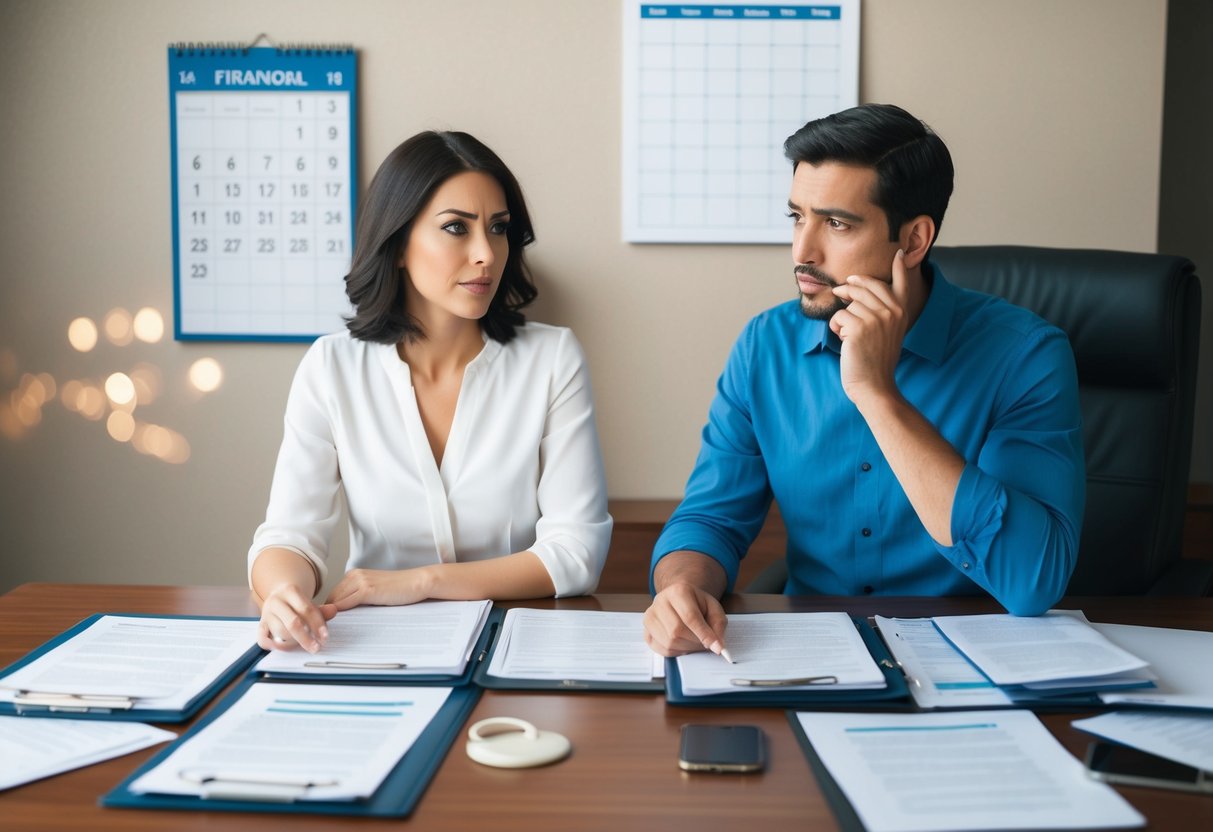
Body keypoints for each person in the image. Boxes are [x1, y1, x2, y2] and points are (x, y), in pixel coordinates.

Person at [643, 104, 1085, 657]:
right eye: (796, 218)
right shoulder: (765, 346)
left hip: (973, 661)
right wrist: (682, 587)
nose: (802, 252)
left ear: (914, 241)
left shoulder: (1025, 355)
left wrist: (877, 394)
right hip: (812, 654)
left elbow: (1032, 582)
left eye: (836, 223)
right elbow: (712, 517)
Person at [249, 131, 612, 653]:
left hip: (519, 646)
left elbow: (576, 554)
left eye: (499, 228)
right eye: (455, 229)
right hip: (374, 648)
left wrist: (422, 582)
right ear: (397, 245)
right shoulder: (331, 367)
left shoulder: (552, 359)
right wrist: (282, 593)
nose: (486, 254)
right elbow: (289, 534)